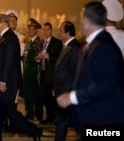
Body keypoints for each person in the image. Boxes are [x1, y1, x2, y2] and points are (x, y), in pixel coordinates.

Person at [57, 1, 124, 140]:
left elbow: (105, 85)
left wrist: (72, 97)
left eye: (81, 18)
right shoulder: (92, 43)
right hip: (90, 117)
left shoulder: (104, 47)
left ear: (87, 20)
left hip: (102, 120)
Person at [0, 14, 42, 141]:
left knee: (6, 112)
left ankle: (33, 130)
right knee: (0, 113)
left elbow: (9, 61)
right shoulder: (3, 37)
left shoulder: (10, 38)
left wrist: (3, 81)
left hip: (7, 83)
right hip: (3, 82)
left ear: (2, 23)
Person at [54, 21, 80, 141]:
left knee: (62, 121)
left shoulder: (74, 47)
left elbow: (75, 73)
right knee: (63, 121)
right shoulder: (66, 45)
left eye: (60, 30)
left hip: (67, 92)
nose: (58, 32)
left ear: (68, 32)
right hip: (62, 90)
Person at [3, 9, 25, 133]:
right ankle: (4, 121)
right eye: (10, 20)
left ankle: (13, 123)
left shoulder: (22, 37)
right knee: (4, 99)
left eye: (14, 20)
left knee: (14, 99)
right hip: (4, 73)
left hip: (16, 71)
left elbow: (21, 53)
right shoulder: (1, 36)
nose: (13, 22)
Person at [37, 22, 63, 124]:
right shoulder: (41, 43)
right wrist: (38, 57)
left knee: (54, 97)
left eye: (47, 29)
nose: (45, 31)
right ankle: (49, 117)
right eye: (43, 30)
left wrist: (49, 57)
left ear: (51, 30)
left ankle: (57, 118)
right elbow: (37, 58)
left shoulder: (57, 42)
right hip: (43, 73)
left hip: (52, 74)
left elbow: (60, 58)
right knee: (45, 96)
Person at [23, 18, 42, 122]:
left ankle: (38, 114)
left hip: (34, 73)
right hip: (27, 73)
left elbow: (36, 58)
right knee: (28, 95)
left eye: (31, 29)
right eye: (28, 28)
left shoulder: (38, 42)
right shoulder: (29, 42)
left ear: (36, 30)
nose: (29, 31)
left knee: (35, 95)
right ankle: (29, 112)